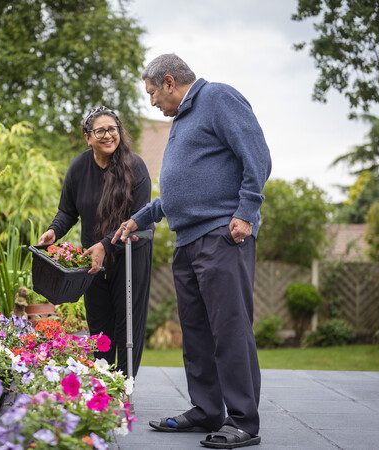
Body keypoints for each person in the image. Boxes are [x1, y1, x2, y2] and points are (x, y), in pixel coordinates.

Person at [112, 54, 271, 448]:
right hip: (187, 241)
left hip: (222, 235)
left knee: (229, 329)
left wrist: (247, 211)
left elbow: (258, 157)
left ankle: (243, 421)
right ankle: (207, 410)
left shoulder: (217, 98)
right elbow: (181, 190)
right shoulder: (183, 121)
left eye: (152, 93)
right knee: (197, 333)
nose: (151, 103)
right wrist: (142, 217)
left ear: (169, 82)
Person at [38, 106, 153, 376]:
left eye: (113, 129)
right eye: (100, 130)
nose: (108, 135)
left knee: (127, 325)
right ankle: (102, 384)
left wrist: (105, 244)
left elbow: (138, 217)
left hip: (130, 254)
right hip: (93, 259)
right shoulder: (79, 167)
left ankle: (124, 386)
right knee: (99, 325)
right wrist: (54, 231)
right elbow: (68, 211)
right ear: (87, 137)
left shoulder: (135, 167)